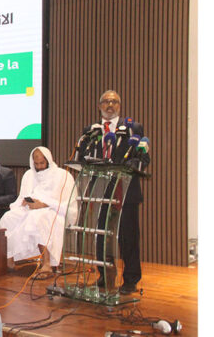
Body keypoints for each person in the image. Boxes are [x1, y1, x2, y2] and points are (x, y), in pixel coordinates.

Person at [83, 90, 150, 295]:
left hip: (125, 190)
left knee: (128, 237)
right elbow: (84, 155)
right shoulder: (92, 130)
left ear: (119, 106)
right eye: (106, 101)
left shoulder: (132, 128)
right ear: (99, 106)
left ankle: (130, 279)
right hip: (101, 190)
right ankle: (105, 276)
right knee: (102, 237)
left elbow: (143, 157)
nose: (110, 105)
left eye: (114, 101)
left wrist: (131, 165)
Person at [0, 147, 76, 272]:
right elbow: (22, 197)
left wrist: (43, 204)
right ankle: (10, 259)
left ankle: (46, 263)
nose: (39, 166)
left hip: (52, 211)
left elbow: (66, 203)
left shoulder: (62, 175)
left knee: (37, 218)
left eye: (42, 163)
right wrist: (25, 202)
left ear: (48, 160)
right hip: (30, 209)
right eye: (36, 164)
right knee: (7, 218)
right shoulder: (29, 175)